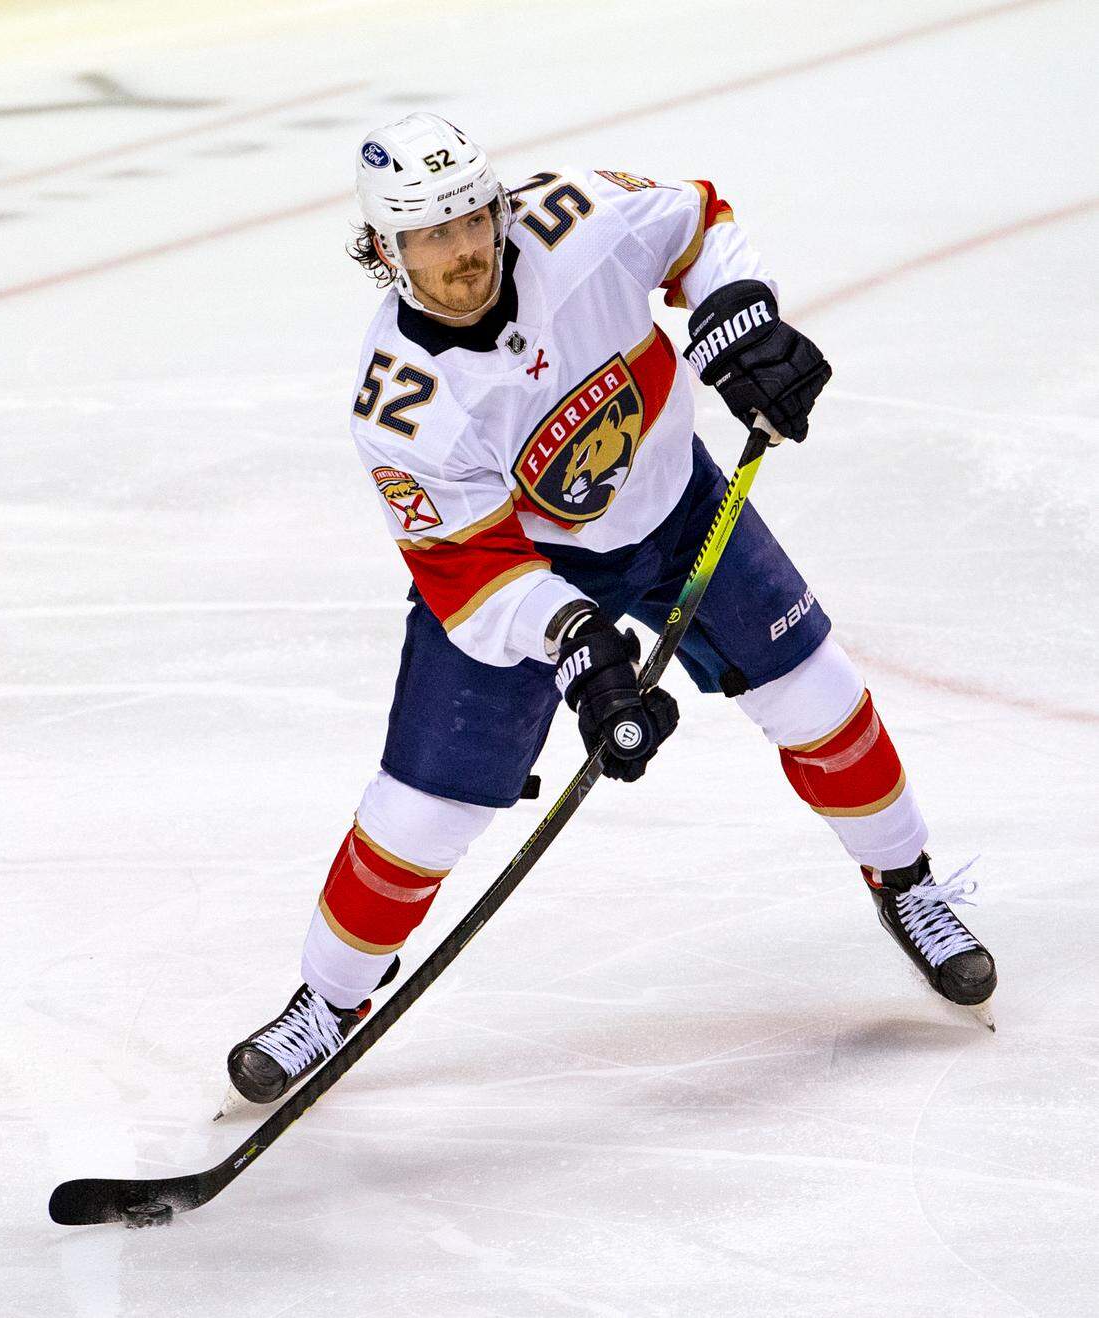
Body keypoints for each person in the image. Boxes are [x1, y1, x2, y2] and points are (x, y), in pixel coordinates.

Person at [226, 114, 996, 1105]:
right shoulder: (403, 406)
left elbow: (698, 223)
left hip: (675, 504)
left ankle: (908, 885)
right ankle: (327, 1003)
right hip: (527, 567)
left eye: (473, 218)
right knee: (422, 810)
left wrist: (741, 318)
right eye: (432, 234)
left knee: (819, 695)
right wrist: (578, 644)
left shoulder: (579, 219)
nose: (464, 251)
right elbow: (473, 572)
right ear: (386, 249)